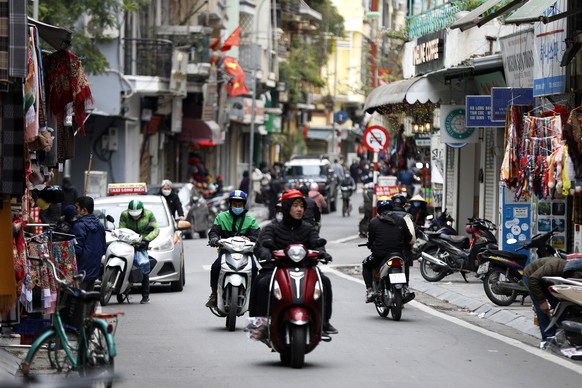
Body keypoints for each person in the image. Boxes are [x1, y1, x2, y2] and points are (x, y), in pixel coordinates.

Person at [249, 189, 337, 334]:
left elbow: (316, 242)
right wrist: (265, 253)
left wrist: (323, 252)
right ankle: (260, 324)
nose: (299, 209)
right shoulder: (271, 228)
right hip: (277, 269)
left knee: (324, 282)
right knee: (261, 283)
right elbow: (262, 245)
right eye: (295, 205)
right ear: (286, 207)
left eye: (301, 206)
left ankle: (324, 322)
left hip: (306, 269)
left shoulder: (308, 228)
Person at [205, 190, 261, 307]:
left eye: (239, 205)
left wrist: (249, 238)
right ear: (230, 204)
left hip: (246, 254)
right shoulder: (221, 217)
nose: (237, 207)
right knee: (215, 267)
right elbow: (214, 232)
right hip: (226, 252)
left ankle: (255, 297)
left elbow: (258, 236)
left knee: (255, 269)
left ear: (244, 205)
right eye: (235, 204)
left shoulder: (251, 220)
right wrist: (214, 239)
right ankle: (214, 294)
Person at [363, 196, 415, 304]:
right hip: (398, 254)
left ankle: (370, 291)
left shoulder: (374, 222)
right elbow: (409, 238)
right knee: (404, 264)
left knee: (365, 265)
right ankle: (405, 287)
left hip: (379, 255)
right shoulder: (401, 220)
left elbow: (370, 240)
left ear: (378, 209)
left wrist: (370, 245)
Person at [119, 199, 160, 304]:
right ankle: (120, 290)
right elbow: (121, 229)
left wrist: (146, 239)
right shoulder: (124, 215)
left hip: (142, 243)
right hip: (127, 243)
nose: (134, 217)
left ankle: (145, 296)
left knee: (144, 267)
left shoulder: (149, 214)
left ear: (142, 211)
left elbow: (156, 230)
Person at [523, 256, 570, 342]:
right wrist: (542, 302)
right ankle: (548, 339)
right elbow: (533, 280)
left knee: (561, 306)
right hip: (531, 277)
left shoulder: (571, 274)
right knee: (542, 309)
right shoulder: (554, 267)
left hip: (547, 280)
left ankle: (557, 333)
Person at [70, 196, 106, 292]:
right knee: (88, 298)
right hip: (94, 267)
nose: (75, 210)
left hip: (82, 268)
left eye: (77, 207)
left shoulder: (79, 226)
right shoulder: (100, 225)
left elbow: (76, 249)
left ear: (84, 210)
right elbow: (103, 247)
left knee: (79, 298)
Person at [390, 194, 417, 267]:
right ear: (404, 204)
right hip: (404, 248)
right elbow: (413, 233)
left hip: (389, 247)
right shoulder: (408, 216)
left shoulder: (385, 216)